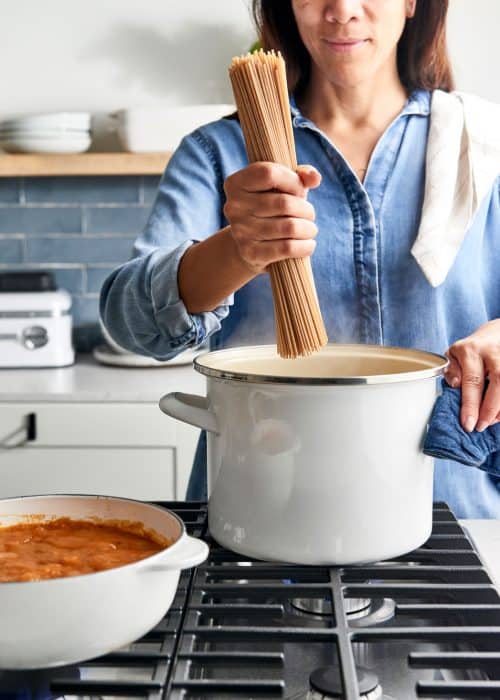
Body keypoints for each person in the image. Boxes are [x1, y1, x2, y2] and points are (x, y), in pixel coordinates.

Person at [100, 0, 500, 518]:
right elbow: (131, 324)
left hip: (455, 509)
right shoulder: (218, 151)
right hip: (263, 506)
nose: (342, 10)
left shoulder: (484, 143)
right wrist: (238, 247)